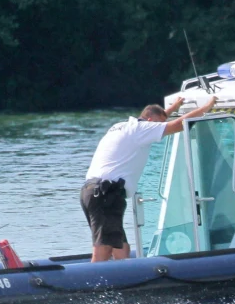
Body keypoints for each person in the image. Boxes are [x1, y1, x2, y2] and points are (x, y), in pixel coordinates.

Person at [82, 94, 218, 262]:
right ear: (149, 119)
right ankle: (95, 285)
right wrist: (207, 107)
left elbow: (158, 119)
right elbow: (176, 125)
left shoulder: (124, 126)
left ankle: (127, 281)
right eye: (158, 125)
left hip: (94, 191)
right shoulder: (141, 129)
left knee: (120, 246)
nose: (160, 131)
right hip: (105, 194)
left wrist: (173, 108)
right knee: (104, 246)